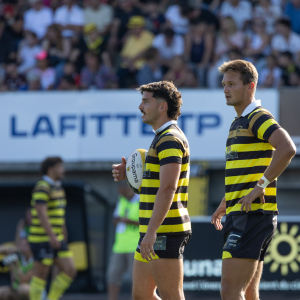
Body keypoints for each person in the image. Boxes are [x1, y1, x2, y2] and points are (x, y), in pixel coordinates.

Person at [211, 60, 296, 300]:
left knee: (230, 291)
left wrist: (261, 186)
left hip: (252, 215)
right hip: (243, 213)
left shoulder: (256, 116)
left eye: (232, 84)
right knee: (248, 292)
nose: (226, 89)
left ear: (251, 87)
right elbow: (245, 171)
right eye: (224, 84)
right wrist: (227, 201)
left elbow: (287, 148)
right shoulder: (237, 122)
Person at [112, 81, 191, 300]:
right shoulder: (161, 138)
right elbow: (156, 183)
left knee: (171, 295)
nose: (140, 107)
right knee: (142, 295)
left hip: (164, 230)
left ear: (162, 106)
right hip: (152, 230)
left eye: (146, 101)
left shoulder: (170, 139)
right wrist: (129, 172)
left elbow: (168, 189)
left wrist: (152, 232)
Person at [28, 157, 77, 300]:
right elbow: (40, 211)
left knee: (70, 270)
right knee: (40, 276)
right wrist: (51, 235)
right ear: (51, 169)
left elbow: (58, 213)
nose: (63, 170)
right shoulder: (42, 187)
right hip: (42, 238)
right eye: (60, 167)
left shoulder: (58, 187)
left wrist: (62, 231)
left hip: (57, 238)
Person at [107, 181, 139, 300]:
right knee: (112, 276)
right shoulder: (122, 199)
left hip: (135, 246)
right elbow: (115, 219)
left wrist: (128, 221)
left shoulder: (141, 200)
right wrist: (119, 220)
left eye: (123, 191)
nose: (121, 194)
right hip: (119, 246)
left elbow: (147, 223)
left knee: (135, 279)